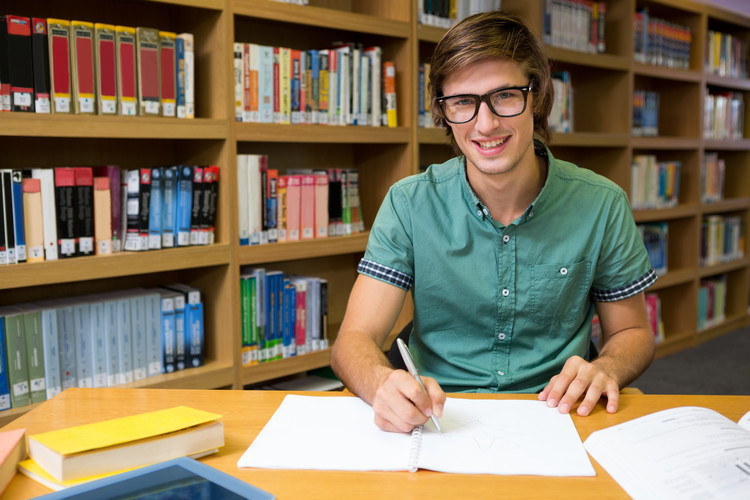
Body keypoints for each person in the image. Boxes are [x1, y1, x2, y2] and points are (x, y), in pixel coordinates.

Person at [330, 10, 657, 433]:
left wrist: (607, 367)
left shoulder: (601, 204)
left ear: (535, 96)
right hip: (438, 419)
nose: (486, 124)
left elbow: (632, 330)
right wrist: (380, 383)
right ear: (443, 111)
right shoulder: (409, 203)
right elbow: (353, 340)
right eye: (463, 102)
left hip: (556, 416)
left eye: (504, 96)